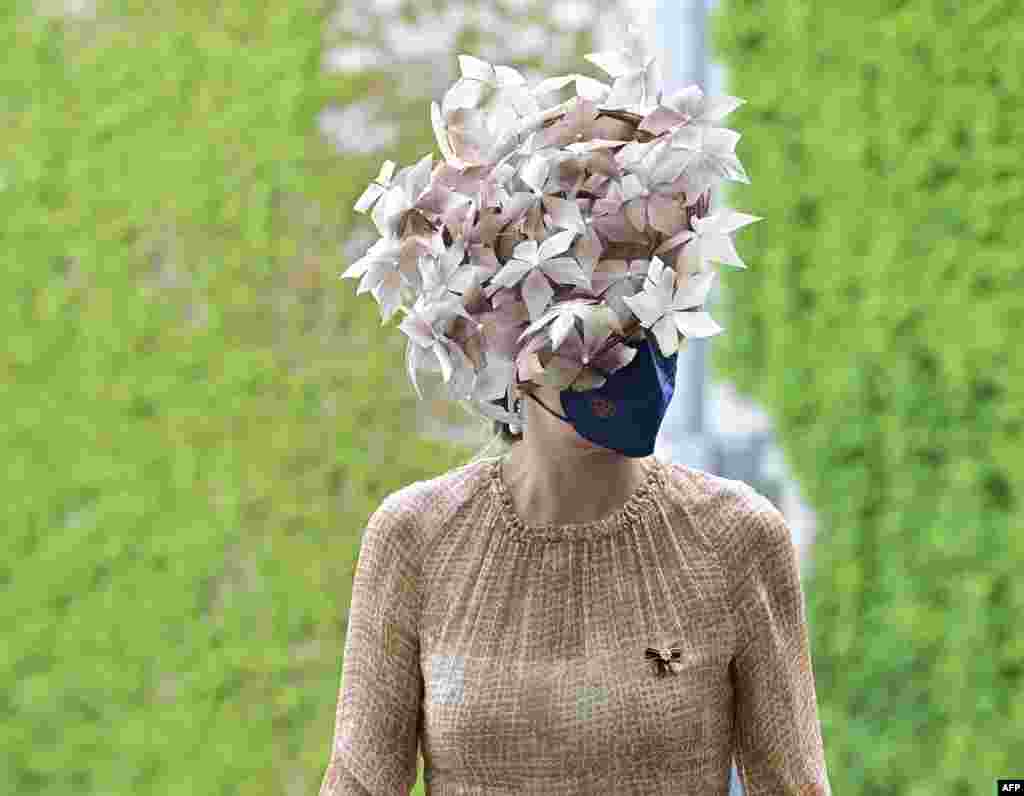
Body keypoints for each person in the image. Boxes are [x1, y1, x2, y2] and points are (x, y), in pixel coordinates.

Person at [317, 356, 832, 795]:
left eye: (643, 308)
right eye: (585, 311)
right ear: (502, 334)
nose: (618, 350)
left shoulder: (735, 537)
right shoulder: (416, 537)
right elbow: (360, 782)